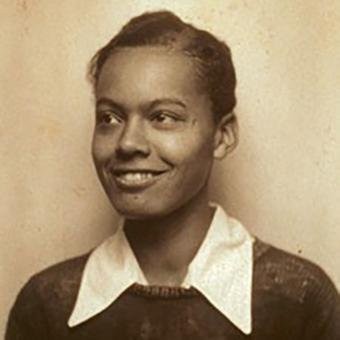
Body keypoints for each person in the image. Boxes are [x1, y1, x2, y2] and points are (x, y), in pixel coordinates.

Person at [6, 10, 339, 340]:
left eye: (163, 117)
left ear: (222, 136)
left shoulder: (300, 302)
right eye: (110, 117)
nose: (128, 143)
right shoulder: (46, 306)